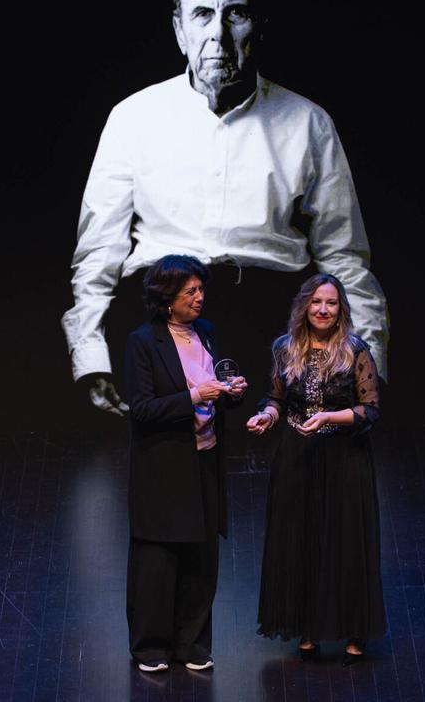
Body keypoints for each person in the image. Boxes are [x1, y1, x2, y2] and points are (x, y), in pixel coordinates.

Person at [61, 0, 388, 420]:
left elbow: (345, 258)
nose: (217, 33)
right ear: (179, 31)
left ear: (259, 26)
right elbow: (98, 254)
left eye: (235, 13)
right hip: (158, 322)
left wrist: (368, 362)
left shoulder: (309, 122)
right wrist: (92, 358)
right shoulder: (131, 118)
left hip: (272, 323)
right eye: (202, 14)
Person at [246, 273, 385, 664]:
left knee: (344, 541)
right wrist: (267, 416)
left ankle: (354, 630)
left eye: (331, 303)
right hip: (298, 455)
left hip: (344, 456)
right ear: (304, 306)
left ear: (341, 309)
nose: (323, 310)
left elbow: (370, 409)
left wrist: (329, 417)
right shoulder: (285, 348)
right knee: (302, 539)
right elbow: (277, 399)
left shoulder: (355, 350)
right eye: (316, 302)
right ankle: (307, 626)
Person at [124, 255, 247, 672]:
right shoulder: (144, 342)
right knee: (159, 559)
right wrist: (196, 396)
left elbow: (211, 389)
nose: (199, 297)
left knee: (201, 555)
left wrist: (229, 391)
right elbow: (142, 409)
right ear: (167, 298)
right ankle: (151, 647)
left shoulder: (205, 333)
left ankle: (191, 644)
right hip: (164, 466)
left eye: (200, 289)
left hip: (203, 458)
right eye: (190, 291)